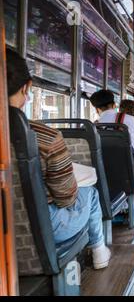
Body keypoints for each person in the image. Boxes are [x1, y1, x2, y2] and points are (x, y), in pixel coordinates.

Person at [6, 49, 111, 270]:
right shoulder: (45, 137)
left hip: (7, 226)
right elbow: (65, 198)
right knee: (90, 194)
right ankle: (99, 250)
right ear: (27, 87)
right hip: (43, 228)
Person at [90, 91, 134, 197]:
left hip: (101, 173)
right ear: (114, 105)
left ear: (96, 109)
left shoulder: (92, 127)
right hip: (129, 172)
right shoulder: (133, 121)